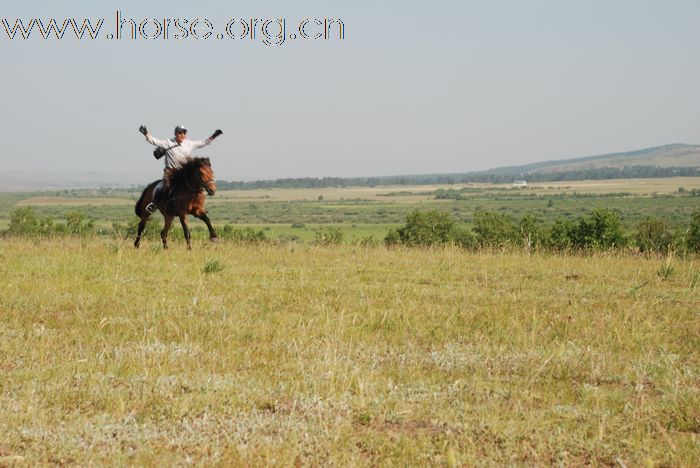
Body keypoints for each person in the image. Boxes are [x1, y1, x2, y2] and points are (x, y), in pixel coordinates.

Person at [139, 124, 223, 213]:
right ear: (176, 134)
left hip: (183, 172)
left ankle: (198, 205)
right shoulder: (168, 143)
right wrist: (146, 134)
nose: (182, 135)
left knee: (197, 181)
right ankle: (154, 204)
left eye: (184, 133)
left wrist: (214, 136)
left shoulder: (189, 144)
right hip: (170, 172)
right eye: (180, 133)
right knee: (165, 186)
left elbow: (203, 142)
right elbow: (154, 141)